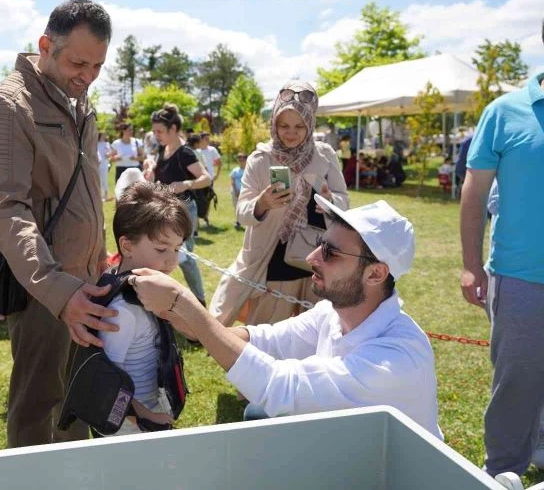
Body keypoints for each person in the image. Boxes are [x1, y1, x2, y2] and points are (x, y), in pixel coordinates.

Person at [130, 195, 442, 439]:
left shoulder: (395, 359)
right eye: (320, 244)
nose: (311, 257)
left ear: (375, 273)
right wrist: (182, 316)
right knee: (257, 414)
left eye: (330, 253)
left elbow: (279, 387)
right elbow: (261, 340)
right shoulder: (332, 315)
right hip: (355, 449)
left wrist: (184, 303)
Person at [0, 0, 116, 447]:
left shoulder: (79, 100)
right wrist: (60, 291)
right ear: (44, 45)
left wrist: (99, 261)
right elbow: (7, 207)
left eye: (98, 66)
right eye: (79, 62)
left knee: (77, 400)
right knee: (38, 407)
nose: (88, 75)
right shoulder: (10, 103)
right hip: (45, 288)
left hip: (87, 281)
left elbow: (88, 192)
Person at [460, 0, 544, 477]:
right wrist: (468, 262)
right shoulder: (504, 112)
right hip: (525, 281)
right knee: (517, 391)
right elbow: (474, 191)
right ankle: (502, 472)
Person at [211, 81, 348, 327]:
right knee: (268, 333)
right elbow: (242, 212)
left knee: (315, 333)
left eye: (299, 126)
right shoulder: (261, 158)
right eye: (284, 125)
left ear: (310, 123)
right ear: (274, 123)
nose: (291, 133)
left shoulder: (325, 155)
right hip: (274, 262)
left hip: (317, 259)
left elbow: (343, 201)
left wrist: (331, 202)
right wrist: (261, 204)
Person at [100, 182, 192, 434]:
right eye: (162, 249)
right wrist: (147, 417)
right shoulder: (122, 311)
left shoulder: (146, 291)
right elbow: (106, 381)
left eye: (177, 248)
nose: (172, 260)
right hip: (128, 426)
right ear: (127, 245)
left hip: (150, 406)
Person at [151, 103, 212, 306]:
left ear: (173, 129)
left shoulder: (185, 153)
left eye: (160, 131)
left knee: (185, 259)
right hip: (164, 210)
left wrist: (185, 184)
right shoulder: (162, 149)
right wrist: (150, 170)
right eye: (154, 132)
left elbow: (206, 178)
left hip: (185, 210)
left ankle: (199, 302)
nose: (156, 135)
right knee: (158, 253)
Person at [195, 133, 221, 228]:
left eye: (208, 138)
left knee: (208, 198)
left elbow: (219, 162)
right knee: (197, 199)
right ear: (201, 140)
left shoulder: (212, 150)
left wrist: (216, 175)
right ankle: (196, 221)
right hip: (198, 179)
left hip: (209, 179)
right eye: (206, 138)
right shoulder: (196, 150)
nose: (208, 140)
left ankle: (206, 218)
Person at [230, 153, 247, 230]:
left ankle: (246, 220)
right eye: (239, 160)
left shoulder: (248, 170)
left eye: (243, 160)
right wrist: (236, 190)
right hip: (235, 191)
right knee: (236, 206)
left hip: (245, 191)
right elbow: (232, 180)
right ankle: (238, 221)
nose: (241, 161)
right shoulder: (235, 170)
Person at [97, 131, 112, 201]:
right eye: (103, 135)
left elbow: (109, 153)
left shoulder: (107, 144)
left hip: (104, 164)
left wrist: (108, 154)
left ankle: (105, 195)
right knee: (98, 179)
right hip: (97, 164)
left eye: (105, 135)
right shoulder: (95, 143)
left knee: (104, 179)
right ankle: (99, 195)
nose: (104, 136)